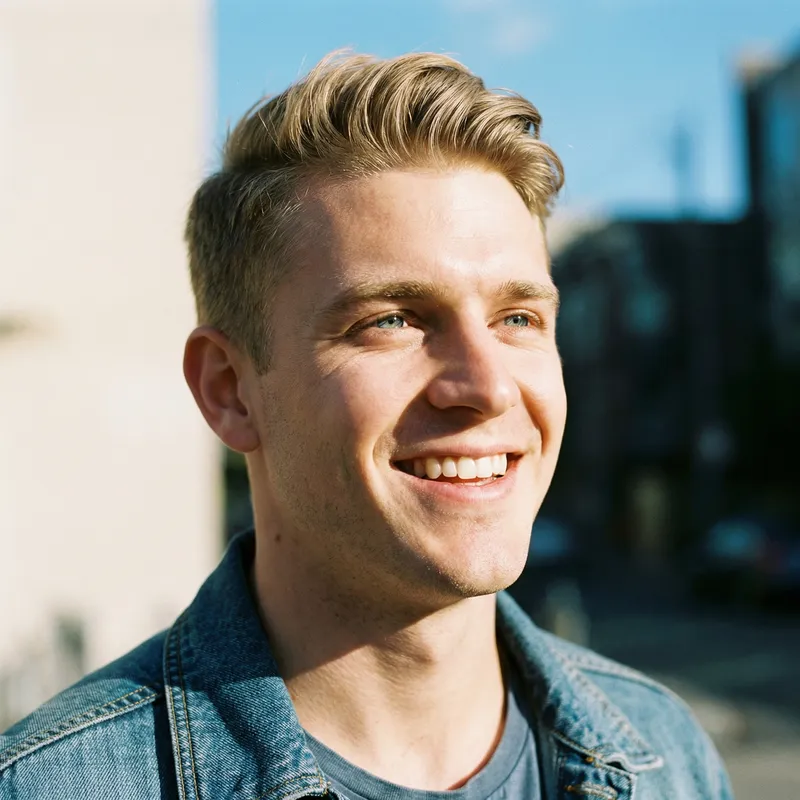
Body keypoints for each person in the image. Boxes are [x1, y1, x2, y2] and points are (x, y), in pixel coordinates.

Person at [0, 51, 733, 799]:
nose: (487, 387)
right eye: (392, 320)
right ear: (230, 391)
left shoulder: (668, 758)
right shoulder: (54, 785)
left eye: (518, 317)